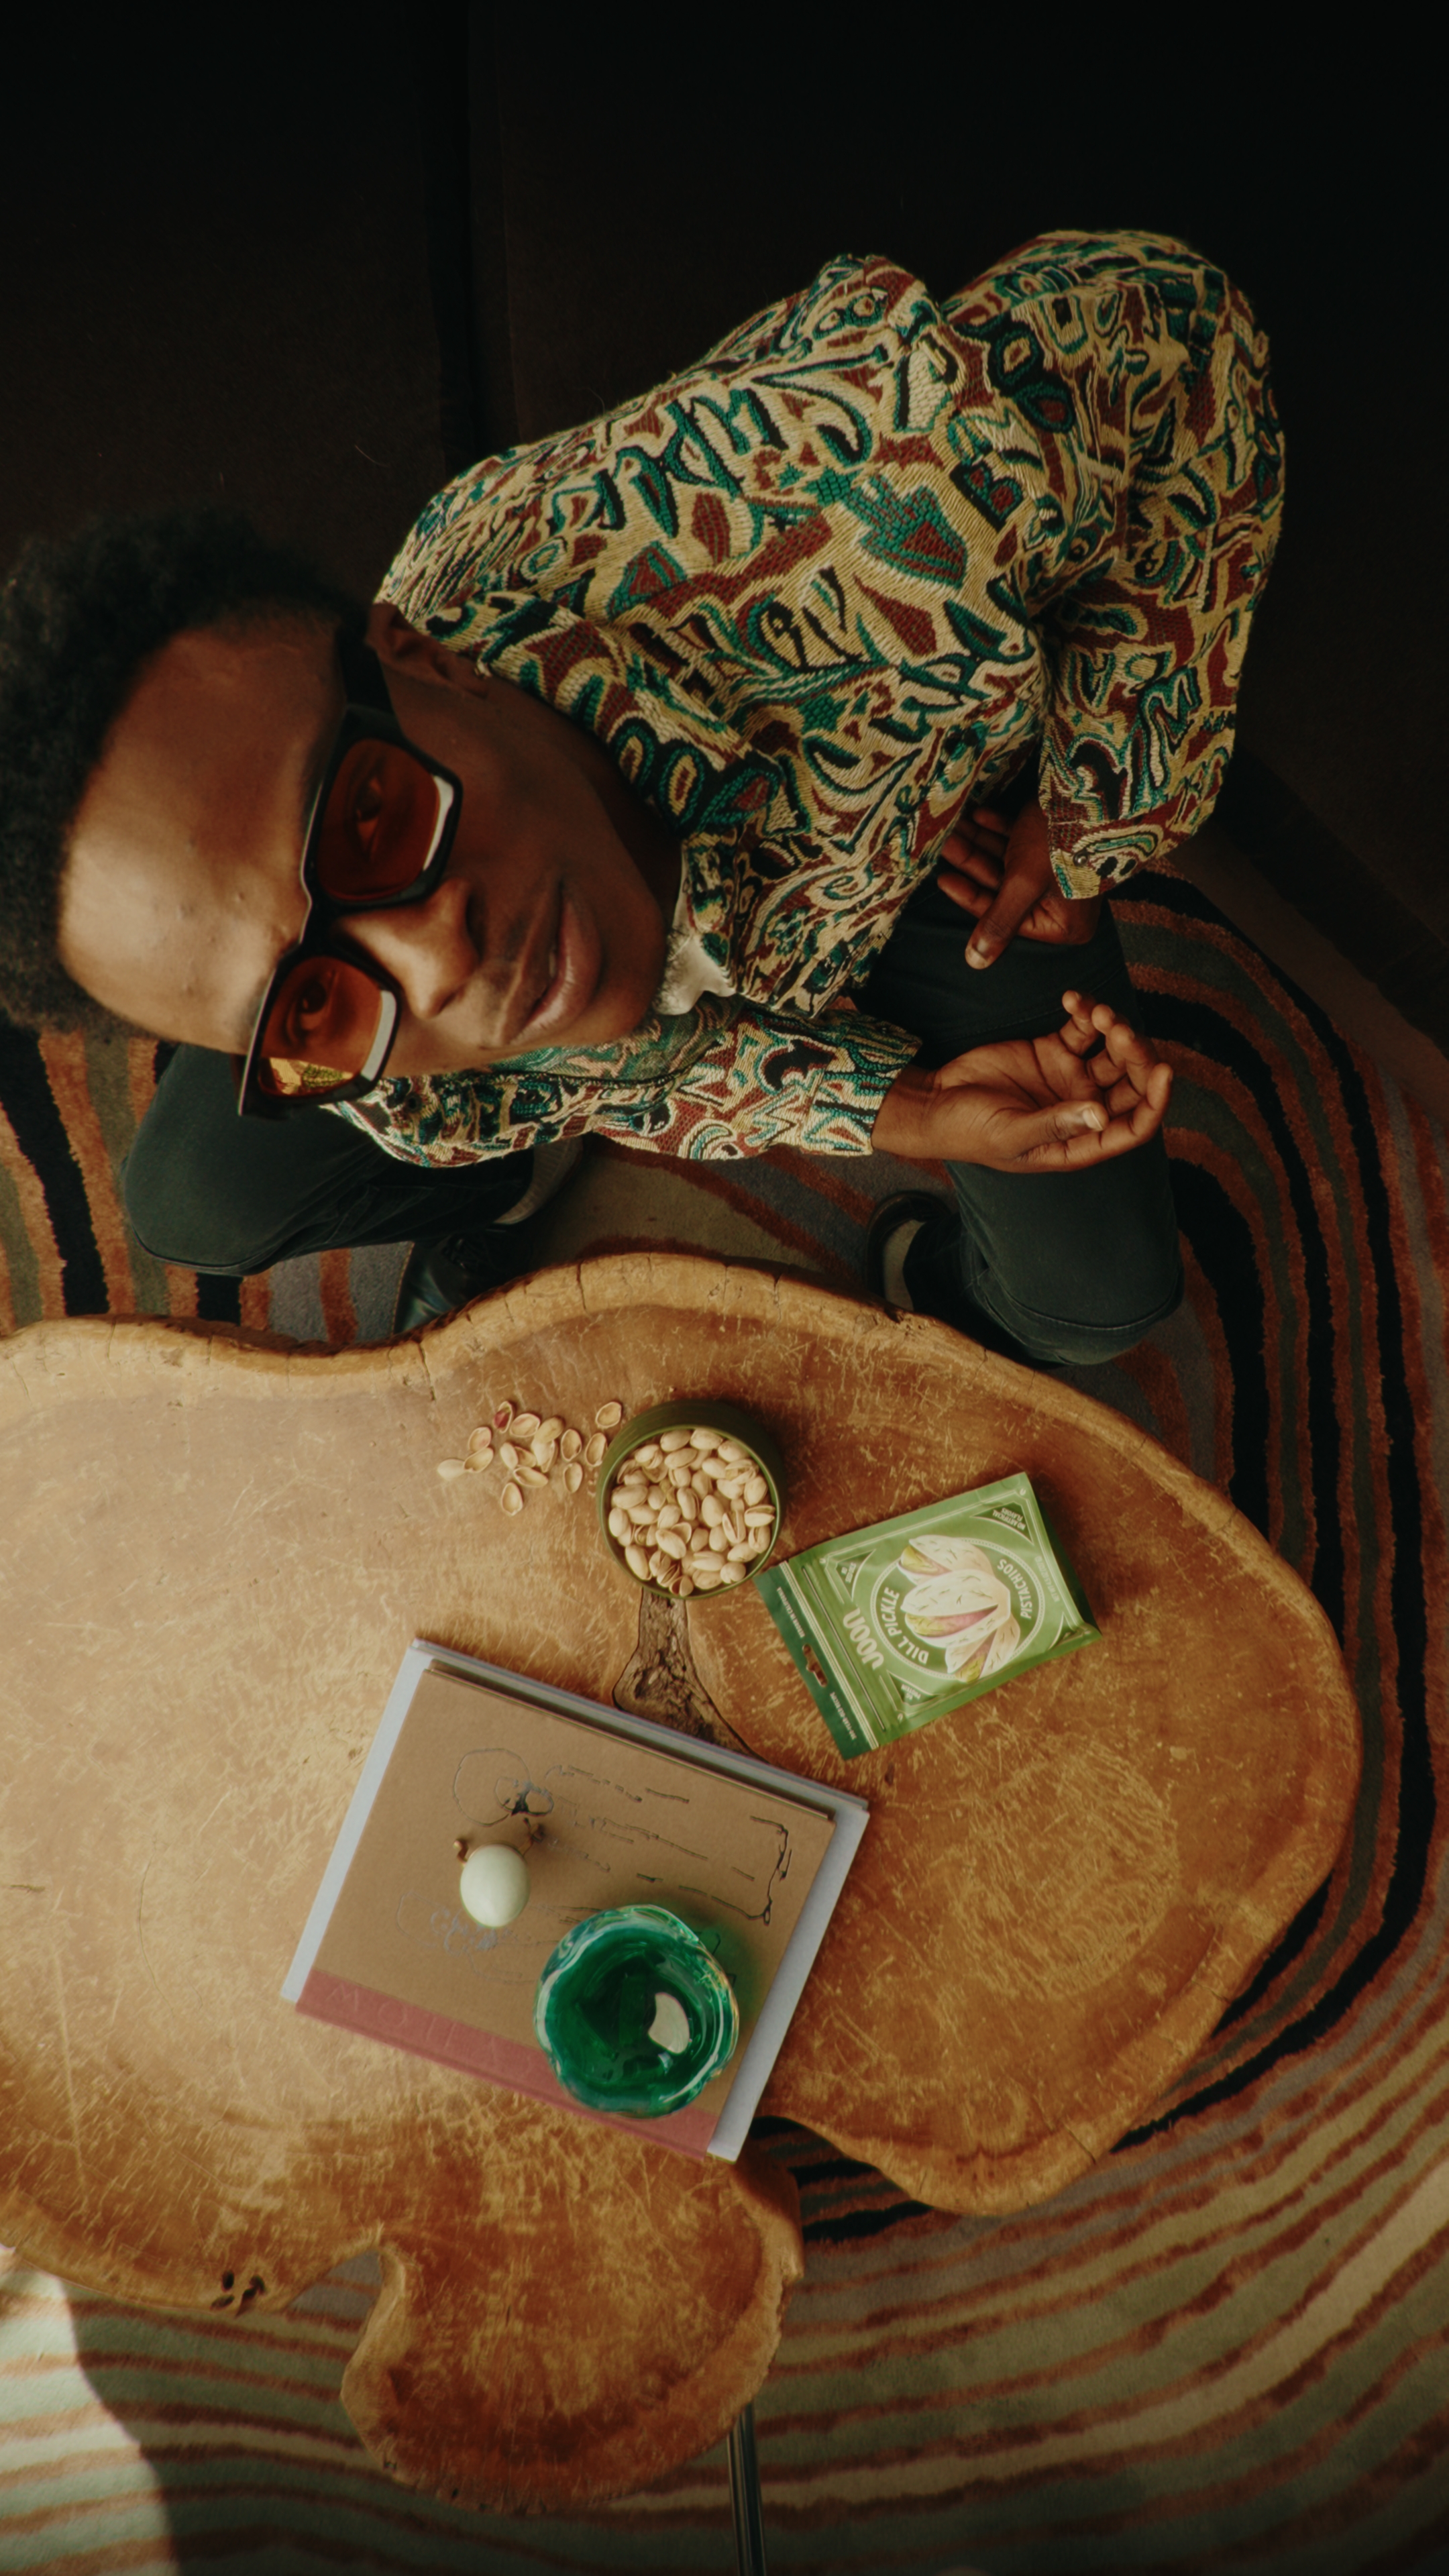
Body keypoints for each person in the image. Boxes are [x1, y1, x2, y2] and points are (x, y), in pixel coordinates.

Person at [0, 227, 1282, 1362]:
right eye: (313, 1001)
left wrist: (1094, 804)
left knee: (1094, 1307)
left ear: (423, 658)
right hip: (684, 945)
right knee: (188, 1201)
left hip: (933, 843)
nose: (440, 967)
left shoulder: (905, 491)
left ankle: (929, 1285)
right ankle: (505, 1183)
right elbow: (627, 1064)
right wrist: (902, 1110)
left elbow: (1183, 335)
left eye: (368, 818)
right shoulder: (374, 1058)